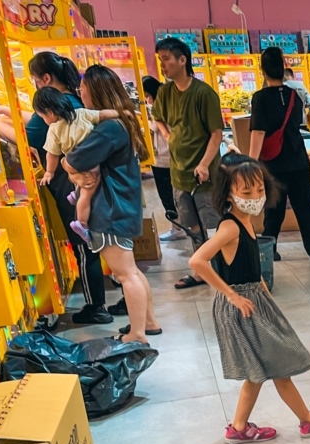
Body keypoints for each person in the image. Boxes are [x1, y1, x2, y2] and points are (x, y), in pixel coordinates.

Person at [188, 154, 310, 444]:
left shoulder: (247, 221)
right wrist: (232, 295)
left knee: (259, 371)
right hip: (242, 307)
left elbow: (245, 264)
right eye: (246, 192)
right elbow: (198, 261)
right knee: (278, 366)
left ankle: (239, 427)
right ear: (228, 193)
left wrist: (260, 288)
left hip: (254, 300)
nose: (255, 197)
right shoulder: (230, 227)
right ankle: (309, 421)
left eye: (259, 190)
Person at [0, 52, 110, 324]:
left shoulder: (60, 106)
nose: (33, 83)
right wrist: (6, 111)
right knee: (92, 241)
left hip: (71, 183)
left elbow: (29, 137)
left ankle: (96, 306)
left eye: (34, 79)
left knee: (83, 244)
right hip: (82, 181)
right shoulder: (70, 100)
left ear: (45, 78)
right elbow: (37, 122)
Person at [64, 65, 158, 345]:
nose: (80, 92)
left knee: (125, 273)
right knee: (132, 271)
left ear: (97, 91)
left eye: (84, 88)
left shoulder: (108, 129)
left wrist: (69, 165)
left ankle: (138, 333)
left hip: (109, 208)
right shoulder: (121, 123)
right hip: (122, 205)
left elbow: (74, 160)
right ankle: (149, 322)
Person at [152, 37, 225, 290]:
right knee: (191, 225)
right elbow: (158, 117)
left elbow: (217, 134)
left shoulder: (203, 94)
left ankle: (220, 269)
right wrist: (167, 136)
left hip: (205, 176)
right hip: (178, 173)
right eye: (160, 59)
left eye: (166, 59)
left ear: (182, 60)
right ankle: (201, 270)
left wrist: (204, 164)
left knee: (212, 224)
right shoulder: (164, 92)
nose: (163, 64)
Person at [250, 47, 310, 262]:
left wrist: (250, 162)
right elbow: (297, 123)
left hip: (273, 162)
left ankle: (269, 249)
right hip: (297, 158)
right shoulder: (294, 95)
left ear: (263, 69)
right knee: (305, 205)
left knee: (274, 207)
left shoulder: (260, 98)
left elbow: (258, 132)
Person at [34, 86, 119, 242]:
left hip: (76, 164)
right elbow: (102, 115)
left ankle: (81, 216)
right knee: (89, 192)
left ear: (50, 113)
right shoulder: (80, 113)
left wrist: (49, 172)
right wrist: (120, 113)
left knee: (85, 192)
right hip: (90, 160)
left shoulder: (53, 129)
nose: (44, 120)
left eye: (42, 117)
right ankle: (81, 222)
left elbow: (52, 154)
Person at [142, 76, 186, 243]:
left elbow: (154, 128)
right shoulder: (172, 104)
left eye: (147, 95)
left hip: (163, 158)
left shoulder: (159, 109)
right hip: (172, 156)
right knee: (176, 194)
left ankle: (177, 227)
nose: (146, 99)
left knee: (168, 195)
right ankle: (181, 226)